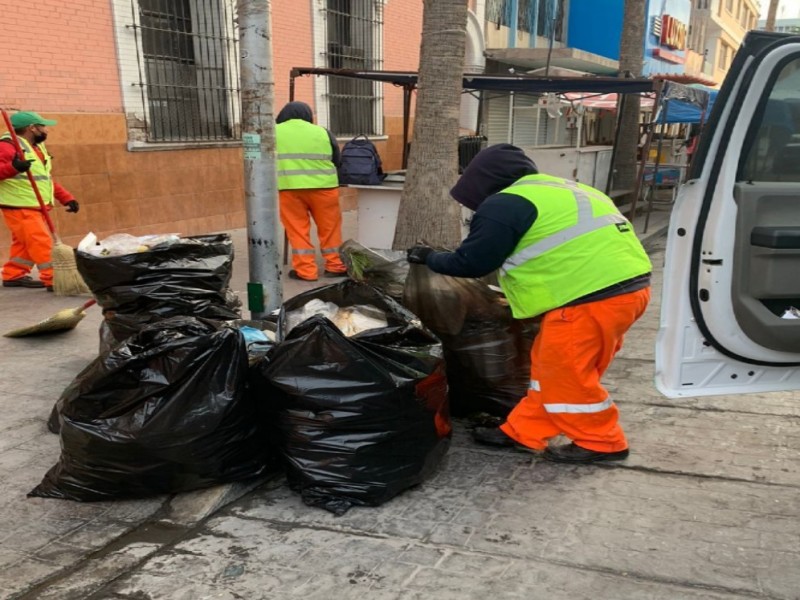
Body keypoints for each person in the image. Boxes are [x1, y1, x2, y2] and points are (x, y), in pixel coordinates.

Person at [406, 144, 652, 464]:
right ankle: (523, 430)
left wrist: (429, 258)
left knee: (566, 377)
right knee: (551, 370)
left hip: (588, 298)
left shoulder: (505, 204)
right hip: (627, 291)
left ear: (483, 182)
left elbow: (472, 263)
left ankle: (603, 442)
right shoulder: (565, 189)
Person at [0, 111, 79, 290]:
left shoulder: (35, 147)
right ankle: (54, 279)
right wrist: (13, 167)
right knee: (40, 242)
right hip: (19, 205)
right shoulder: (7, 146)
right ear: (32, 128)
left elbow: (44, 178)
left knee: (24, 243)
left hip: (35, 204)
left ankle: (13, 274)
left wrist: (66, 198)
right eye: (43, 126)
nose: (46, 130)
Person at [275, 101, 347, 281]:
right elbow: (337, 159)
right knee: (330, 229)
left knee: (297, 230)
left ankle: (306, 271)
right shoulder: (322, 132)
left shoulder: (273, 132)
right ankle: (336, 266)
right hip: (325, 188)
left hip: (290, 188)